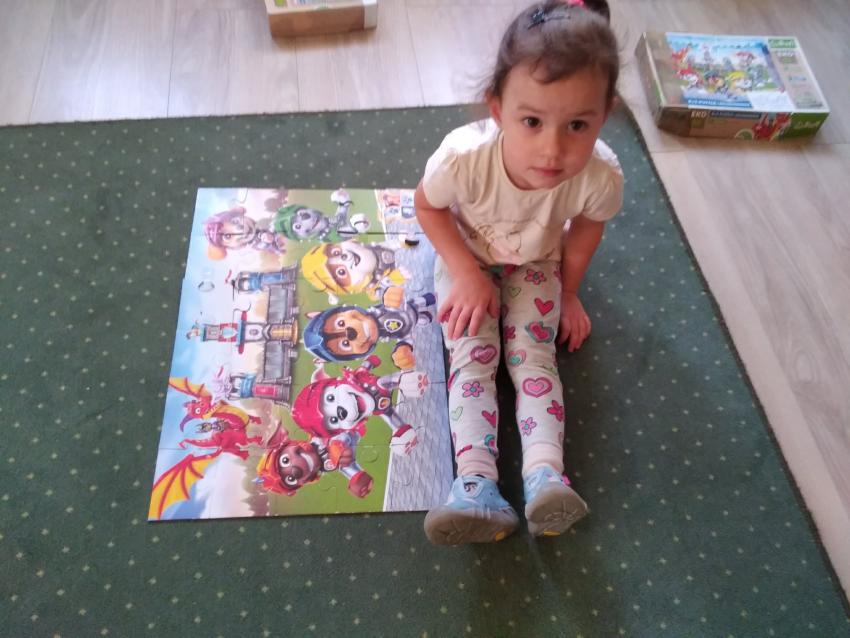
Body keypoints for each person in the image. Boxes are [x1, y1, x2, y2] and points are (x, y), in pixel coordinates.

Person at [415, 0, 623, 544]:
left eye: (577, 125)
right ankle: (475, 484)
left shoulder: (600, 175)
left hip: (536, 262)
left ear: (607, 113)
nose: (552, 150)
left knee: (533, 356)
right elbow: (428, 206)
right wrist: (465, 272)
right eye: (531, 121)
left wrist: (570, 294)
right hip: (468, 257)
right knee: (473, 355)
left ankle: (545, 478)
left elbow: (587, 229)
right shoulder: (463, 158)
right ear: (497, 107)